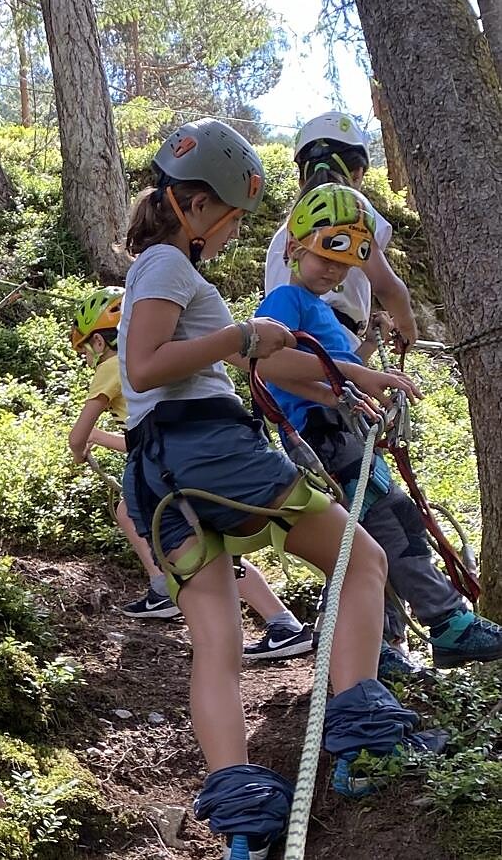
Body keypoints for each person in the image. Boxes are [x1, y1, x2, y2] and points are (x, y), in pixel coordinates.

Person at [120, 119, 443, 856]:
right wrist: (243, 338)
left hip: (156, 473)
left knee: (218, 641)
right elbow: (145, 365)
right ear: (202, 207)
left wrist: (265, 350)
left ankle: (242, 817)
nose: (235, 236)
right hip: (210, 448)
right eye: (235, 222)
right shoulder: (170, 264)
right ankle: (361, 742)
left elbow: (159, 369)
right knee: (363, 559)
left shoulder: (154, 269)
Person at [255, 183, 502, 672]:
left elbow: (327, 368)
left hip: (335, 426)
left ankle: (374, 645)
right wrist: (359, 376)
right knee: (393, 519)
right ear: (293, 249)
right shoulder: (287, 299)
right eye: (323, 256)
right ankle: (447, 622)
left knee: (366, 535)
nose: (332, 269)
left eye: (342, 264)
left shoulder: (316, 308)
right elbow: (268, 366)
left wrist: (367, 351)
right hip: (323, 434)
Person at [68, 286, 313, 661]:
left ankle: (162, 587)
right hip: (194, 456)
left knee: (134, 514)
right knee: (221, 553)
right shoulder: (158, 359)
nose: (87, 358)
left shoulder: (109, 367)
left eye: (85, 349)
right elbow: (143, 442)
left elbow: (79, 431)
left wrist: (81, 444)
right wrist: (102, 440)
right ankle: (282, 622)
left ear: (98, 342)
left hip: (174, 473)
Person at [265, 112, 416, 349]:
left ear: (301, 180)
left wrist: (368, 344)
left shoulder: (285, 233)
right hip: (331, 339)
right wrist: (407, 328)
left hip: (282, 343)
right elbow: (386, 286)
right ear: (357, 174)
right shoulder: (351, 214)